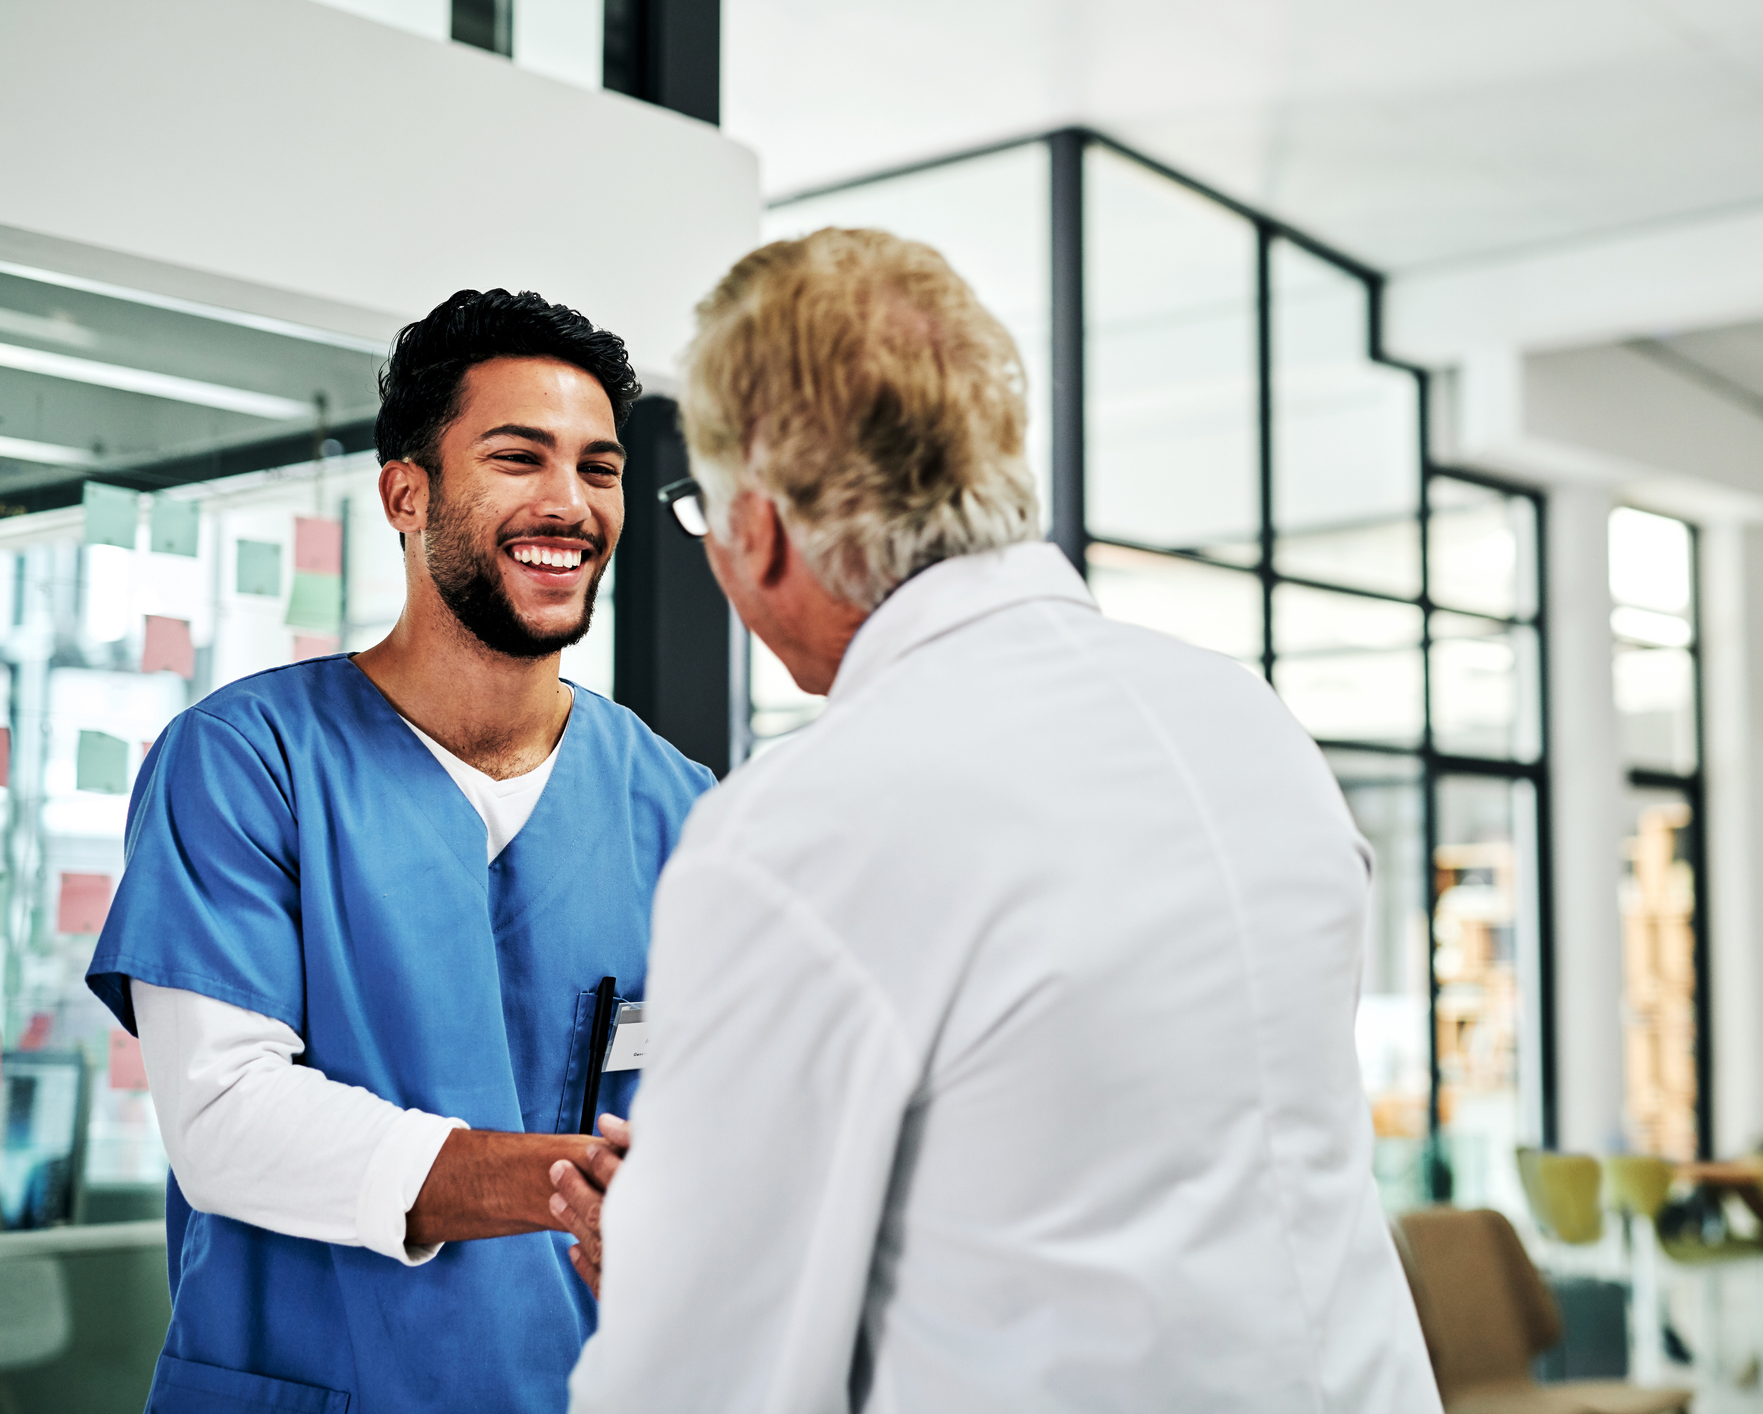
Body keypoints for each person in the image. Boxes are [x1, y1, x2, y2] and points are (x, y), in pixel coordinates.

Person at [555, 230, 1439, 1411]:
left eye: (699, 512)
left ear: (757, 528)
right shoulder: (1246, 722)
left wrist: (661, 1268)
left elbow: (706, 1381)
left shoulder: (800, 831)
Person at [84, 289, 713, 1414]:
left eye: (600, 468)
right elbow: (225, 1118)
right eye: (520, 458)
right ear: (406, 493)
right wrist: (570, 1184)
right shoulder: (243, 762)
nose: (569, 503)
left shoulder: (679, 805)